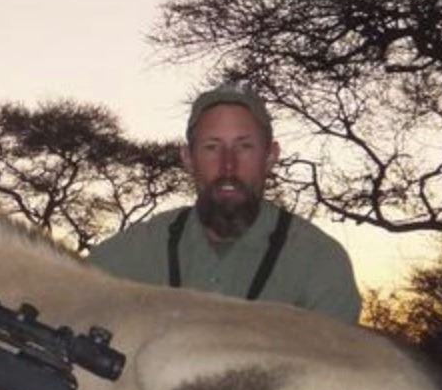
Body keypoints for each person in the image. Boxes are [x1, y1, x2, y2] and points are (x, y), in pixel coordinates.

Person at [88, 82, 361, 324]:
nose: (228, 165)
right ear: (188, 158)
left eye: (244, 146)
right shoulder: (137, 250)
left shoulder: (320, 263)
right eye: (212, 147)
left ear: (270, 156)